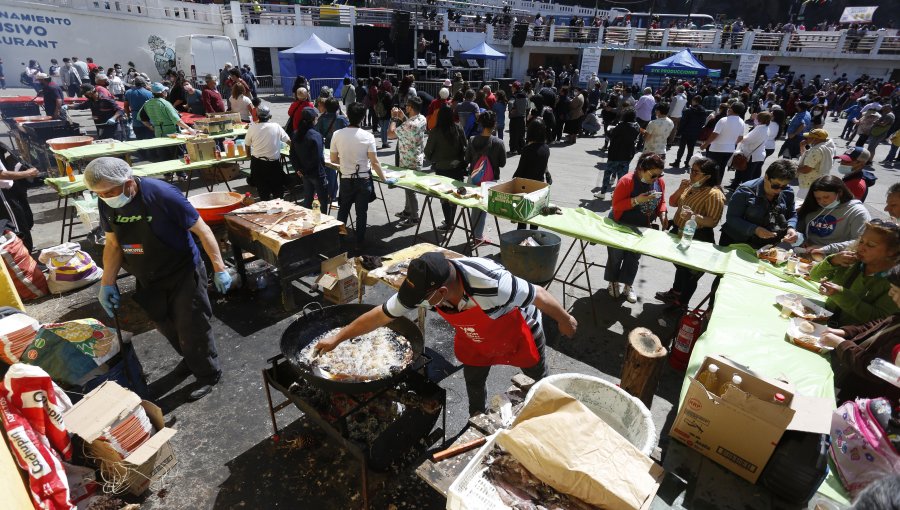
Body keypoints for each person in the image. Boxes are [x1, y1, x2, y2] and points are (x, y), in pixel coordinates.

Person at [314, 251, 578, 416]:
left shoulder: (493, 284)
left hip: (517, 329)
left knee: (537, 380)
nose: (415, 305)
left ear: (440, 294)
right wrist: (338, 337)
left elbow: (539, 294)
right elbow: (381, 314)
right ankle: (477, 417)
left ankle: (543, 416)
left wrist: (564, 320)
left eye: (422, 301)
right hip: (476, 336)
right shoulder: (426, 288)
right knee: (473, 378)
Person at [86, 158, 231, 401]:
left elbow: (203, 230)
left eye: (110, 191)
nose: (105, 197)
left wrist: (219, 267)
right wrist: (107, 283)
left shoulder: (162, 194)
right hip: (147, 274)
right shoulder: (106, 203)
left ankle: (208, 373)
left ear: (128, 183)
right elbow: (113, 244)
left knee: (192, 327)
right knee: (165, 325)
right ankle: (191, 359)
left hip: (182, 271)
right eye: (98, 194)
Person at [655, 157, 726, 309]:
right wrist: (681, 189)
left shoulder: (714, 195)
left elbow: (713, 221)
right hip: (678, 232)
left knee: (690, 274)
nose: (691, 174)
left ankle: (681, 303)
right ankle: (675, 292)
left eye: (695, 172)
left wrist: (694, 217)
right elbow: (673, 202)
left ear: (707, 176)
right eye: (691, 170)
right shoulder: (690, 186)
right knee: (681, 267)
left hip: (696, 237)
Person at [810, 220, 900, 326]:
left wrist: (841, 295)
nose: (861, 248)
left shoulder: (894, 283)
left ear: (892, 251)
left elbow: (878, 319)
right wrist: (833, 261)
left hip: (846, 335)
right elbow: (814, 276)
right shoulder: (852, 261)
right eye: (861, 241)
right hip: (822, 317)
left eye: (870, 245)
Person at [329, 103, 394, 250]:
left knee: (343, 210)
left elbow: (333, 159)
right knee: (361, 213)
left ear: (348, 115)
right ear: (362, 117)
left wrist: (346, 162)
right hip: (363, 179)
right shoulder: (368, 136)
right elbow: (375, 162)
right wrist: (384, 179)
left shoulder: (337, 134)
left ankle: (340, 239)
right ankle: (359, 242)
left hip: (346, 178)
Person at [607, 152, 668, 304]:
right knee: (616, 256)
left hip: (642, 226)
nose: (656, 179)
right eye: (653, 175)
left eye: (659, 175)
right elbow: (616, 205)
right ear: (641, 169)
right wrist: (636, 200)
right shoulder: (626, 181)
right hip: (620, 224)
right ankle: (613, 281)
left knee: (633, 258)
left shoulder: (659, 182)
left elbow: (662, 201)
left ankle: (628, 284)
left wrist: (662, 214)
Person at [720, 159, 799, 248]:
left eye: (784, 186)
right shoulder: (745, 190)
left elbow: (792, 214)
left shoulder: (788, 192)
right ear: (766, 177)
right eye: (775, 185)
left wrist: (791, 228)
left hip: (766, 245)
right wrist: (755, 229)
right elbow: (732, 218)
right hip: (736, 241)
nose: (779, 190)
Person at [797, 176, 871, 259]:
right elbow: (800, 229)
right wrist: (801, 239)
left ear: (840, 193)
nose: (822, 201)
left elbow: (859, 242)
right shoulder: (814, 205)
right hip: (805, 255)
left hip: (833, 259)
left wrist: (825, 249)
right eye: (818, 198)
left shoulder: (857, 212)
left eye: (826, 197)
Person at [425, 104, 467, 232]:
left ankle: (448, 222)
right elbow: (465, 147)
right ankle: (451, 221)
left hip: (441, 168)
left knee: (444, 196)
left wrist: (433, 160)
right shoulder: (458, 128)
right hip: (457, 167)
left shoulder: (435, 131)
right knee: (454, 195)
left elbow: (428, 151)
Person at [466, 111, 506, 245]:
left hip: (473, 179)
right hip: (489, 181)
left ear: (480, 124)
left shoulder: (472, 140)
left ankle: (474, 234)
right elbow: (502, 163)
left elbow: (467, 159)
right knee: (482, 209)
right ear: (494, 125)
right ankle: (477, 236)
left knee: (474, 207)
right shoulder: (498, 142)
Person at [390, 95, 427, 227]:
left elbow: (390, 134)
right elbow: (409, 125)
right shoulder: (422, 118)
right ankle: (407, 211)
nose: (405, 107)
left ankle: (415, 216)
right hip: (415, 157)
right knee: (407, 187)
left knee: (410, 190)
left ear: (411, 108)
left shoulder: (409, 125)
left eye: (407, 106)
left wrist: (394, 118)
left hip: (408, 160)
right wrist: (403, 118)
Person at [244, 105, 290, 201]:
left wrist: (248, 156)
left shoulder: (252, 128)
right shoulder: (276, 126)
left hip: (257, 163)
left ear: (257, 116)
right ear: (270, 116)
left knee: (263, 193)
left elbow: (247, 145)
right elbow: (288, 141)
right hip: (273, 164)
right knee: (278, 193)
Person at [513, 119, 551, 230]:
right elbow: (544, 166)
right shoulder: (546, 148)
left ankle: (521, 240)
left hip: (526, 187)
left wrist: (512, 182)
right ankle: (533, 239)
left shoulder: (527, 149)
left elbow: (520, 170)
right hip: (539, 186)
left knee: (523, 217)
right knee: (535, 216)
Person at [595, 107, 639, 200]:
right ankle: (617, 194)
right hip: (626, 155)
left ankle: (603, 192)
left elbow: (610, 135)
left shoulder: (620, 126)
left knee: (608, 173)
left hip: (615, 154)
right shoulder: (636, 127)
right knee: (622, 177)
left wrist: (609, 130)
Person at [290, 107, 328, 214]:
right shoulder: (315, 135)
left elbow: (292, 154)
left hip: (304, 173)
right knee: (322, 201)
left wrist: (298, 169)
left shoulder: (296, 134)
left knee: (308, 199)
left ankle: (307, 222)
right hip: (316, 173)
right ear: (313, 119)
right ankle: (323, 225)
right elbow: (318, 158)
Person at [0, 147, 38, 253]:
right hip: (3, 194)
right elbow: (1, 174)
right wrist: (27, 173)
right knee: (17, 227)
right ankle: (26, 261)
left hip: (8, 191)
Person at [700, 101, 746, 184]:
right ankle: (717, 185)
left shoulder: (723, 120)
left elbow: (714, 134)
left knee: (710, 169)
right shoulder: (742, 122)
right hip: (729, 149)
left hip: (716, 148)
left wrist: (705, 144)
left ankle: (707, 187)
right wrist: (731, 143)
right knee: (721, 169)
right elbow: (740, 137)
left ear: (731, 109)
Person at [732, 111, 770, 188]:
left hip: (752, 154)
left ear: (760, 119)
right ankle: (735, 186)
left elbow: (747, 140)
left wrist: (741, 137)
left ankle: (744, 190)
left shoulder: (760, 129)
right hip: (757, 154)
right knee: (745, 172)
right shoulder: (765, 128)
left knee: (746, 174)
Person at [797, 128, 836, 199]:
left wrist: (794, 169)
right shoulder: (826, 146)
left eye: (809, 137)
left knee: (801, 204)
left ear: (816, 139)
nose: (806, 138)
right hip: (815, 182)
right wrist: (802, 147)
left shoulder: (816, 150)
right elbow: (808, 159)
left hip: (808, 184)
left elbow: (806, 169)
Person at [671, 96, 706, 168]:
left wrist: (679, 132)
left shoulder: (688, 111)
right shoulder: (703, 111)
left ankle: (677, 161)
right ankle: (687, 163)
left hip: (686, 131)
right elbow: (703, 123)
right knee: (691, 149)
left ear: (694, 101)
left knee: (681, 148)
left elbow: (683, 122)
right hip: (695, 132)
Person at [508, 81, 529, 155]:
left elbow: (510, 103)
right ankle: (521, 149)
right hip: (522, 118)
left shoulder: (514, 96)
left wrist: (511, 110)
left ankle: (513, 149)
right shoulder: (525, 95)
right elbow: (528, 105)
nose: (511, 88)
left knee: (513, 134)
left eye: (512, 87)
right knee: (521, 134)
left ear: (514, 88)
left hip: (514, 118)